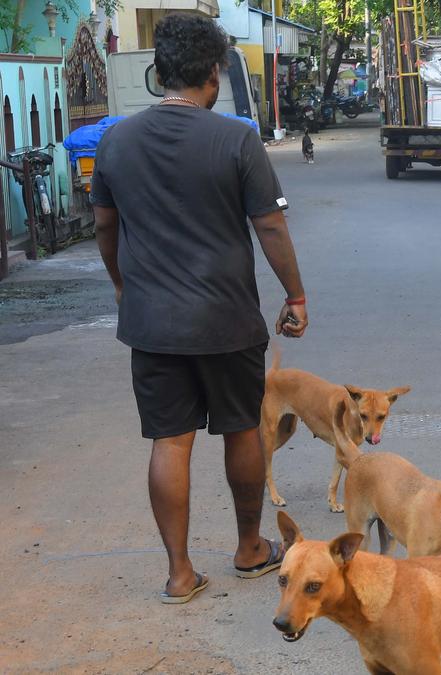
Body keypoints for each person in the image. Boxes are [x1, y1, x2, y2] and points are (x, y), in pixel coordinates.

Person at [90, 14, 308, 604]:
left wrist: (121, 284)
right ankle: (249, 549)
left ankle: (180, 574)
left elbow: (105, 227)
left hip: (152, 323)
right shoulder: (236, 139)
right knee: (241, 429)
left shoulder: (116, 141)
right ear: (214, 75)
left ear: (157, 73)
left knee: (170, 440)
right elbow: (269, 225)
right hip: (228, 319)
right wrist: (295, 294)